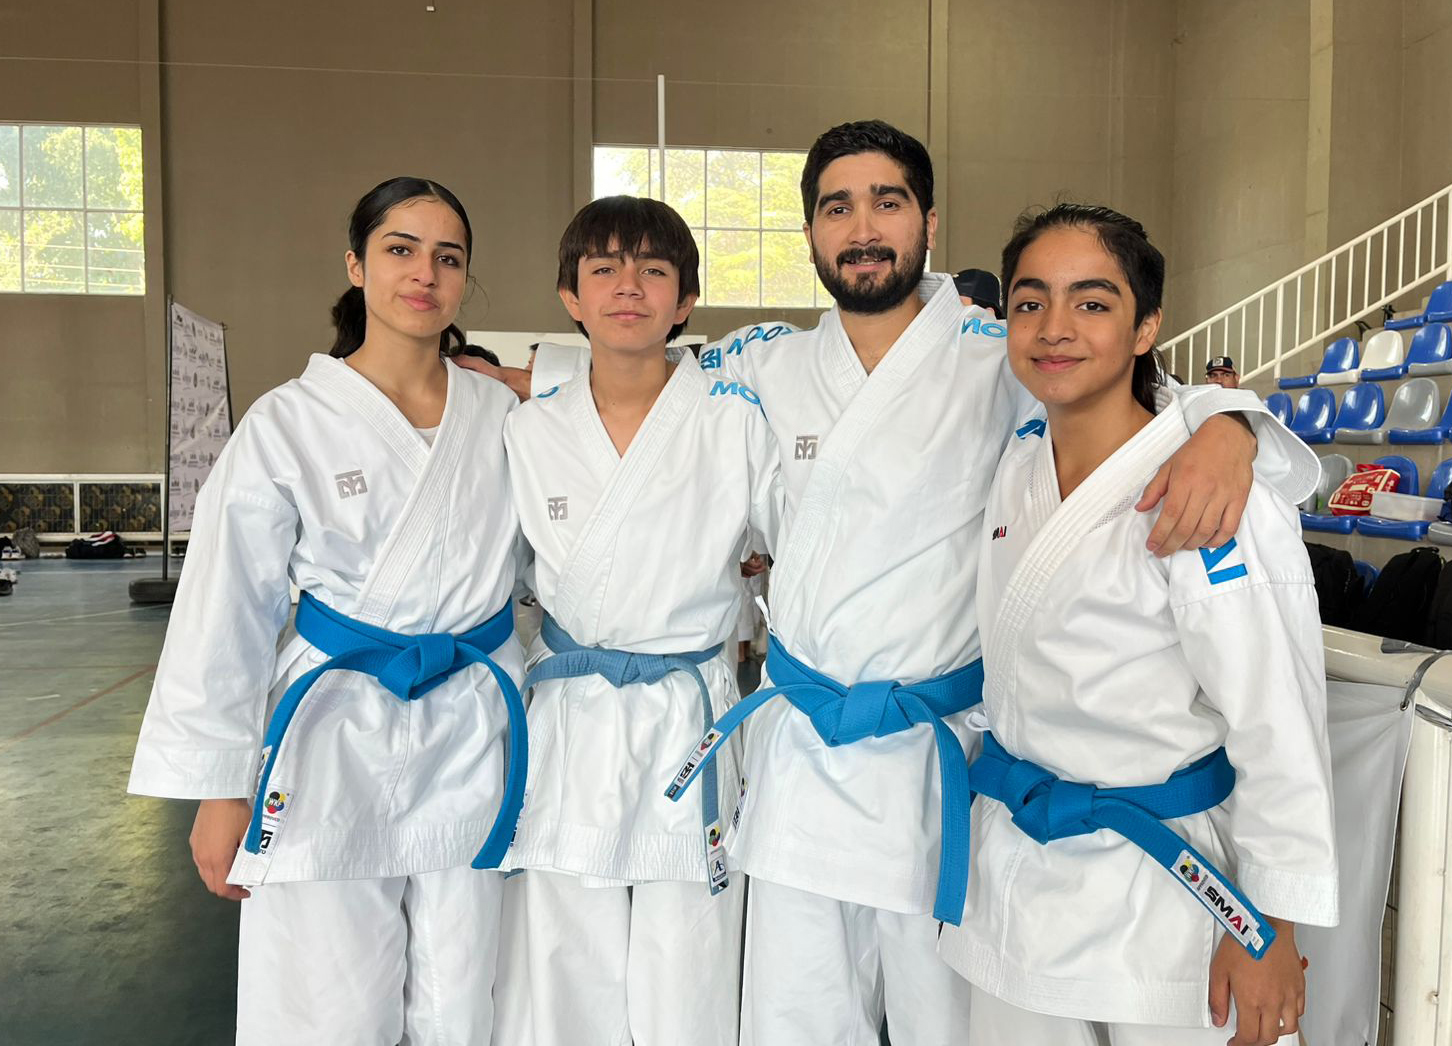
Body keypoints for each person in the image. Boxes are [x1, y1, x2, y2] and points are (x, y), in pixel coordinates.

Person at [472, 120, 1320, 1045]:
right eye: (838, 207)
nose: (864, 227)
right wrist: (490, 379)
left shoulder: (1002, 349)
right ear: (809, 232)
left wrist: (1228, 423)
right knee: (794, 1021)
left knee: (945, 1021)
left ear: (929, 221)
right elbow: (630, 370)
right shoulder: (762, 361)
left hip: (938, 755)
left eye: (888, 202)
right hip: (802, 755)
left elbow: (1129, 397)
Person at [127, 177, 525, 1045]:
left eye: (447, 257)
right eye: (400, 249)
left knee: (466, 997)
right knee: (327, 1001)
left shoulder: (502, 415)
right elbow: (227, 605)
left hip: (472, 730)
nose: (424, 273)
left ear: (465, 279)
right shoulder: (290, 421)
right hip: (330, 736)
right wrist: (221, 790)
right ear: (356, 265)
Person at [939, 203, 1336, 1046]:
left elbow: (1278, 722)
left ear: (1146, 326)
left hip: (1167, 888)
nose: (1055, 328)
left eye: (1092, 302)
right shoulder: (1017, 465)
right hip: (1019, 873)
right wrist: (1228, 419)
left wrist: (1271, 925)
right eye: (1030, 302)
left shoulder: (1207, 496)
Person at [490, 196, 780, 1046]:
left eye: (654, 270)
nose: (629, 286)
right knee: (562, 947)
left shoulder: (736, 421)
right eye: (605, 268)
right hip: (572, 712)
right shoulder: (530, 431)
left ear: (685, 300)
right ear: (569, 296)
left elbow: (790, 551)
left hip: (688, 712)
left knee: (688, 953)